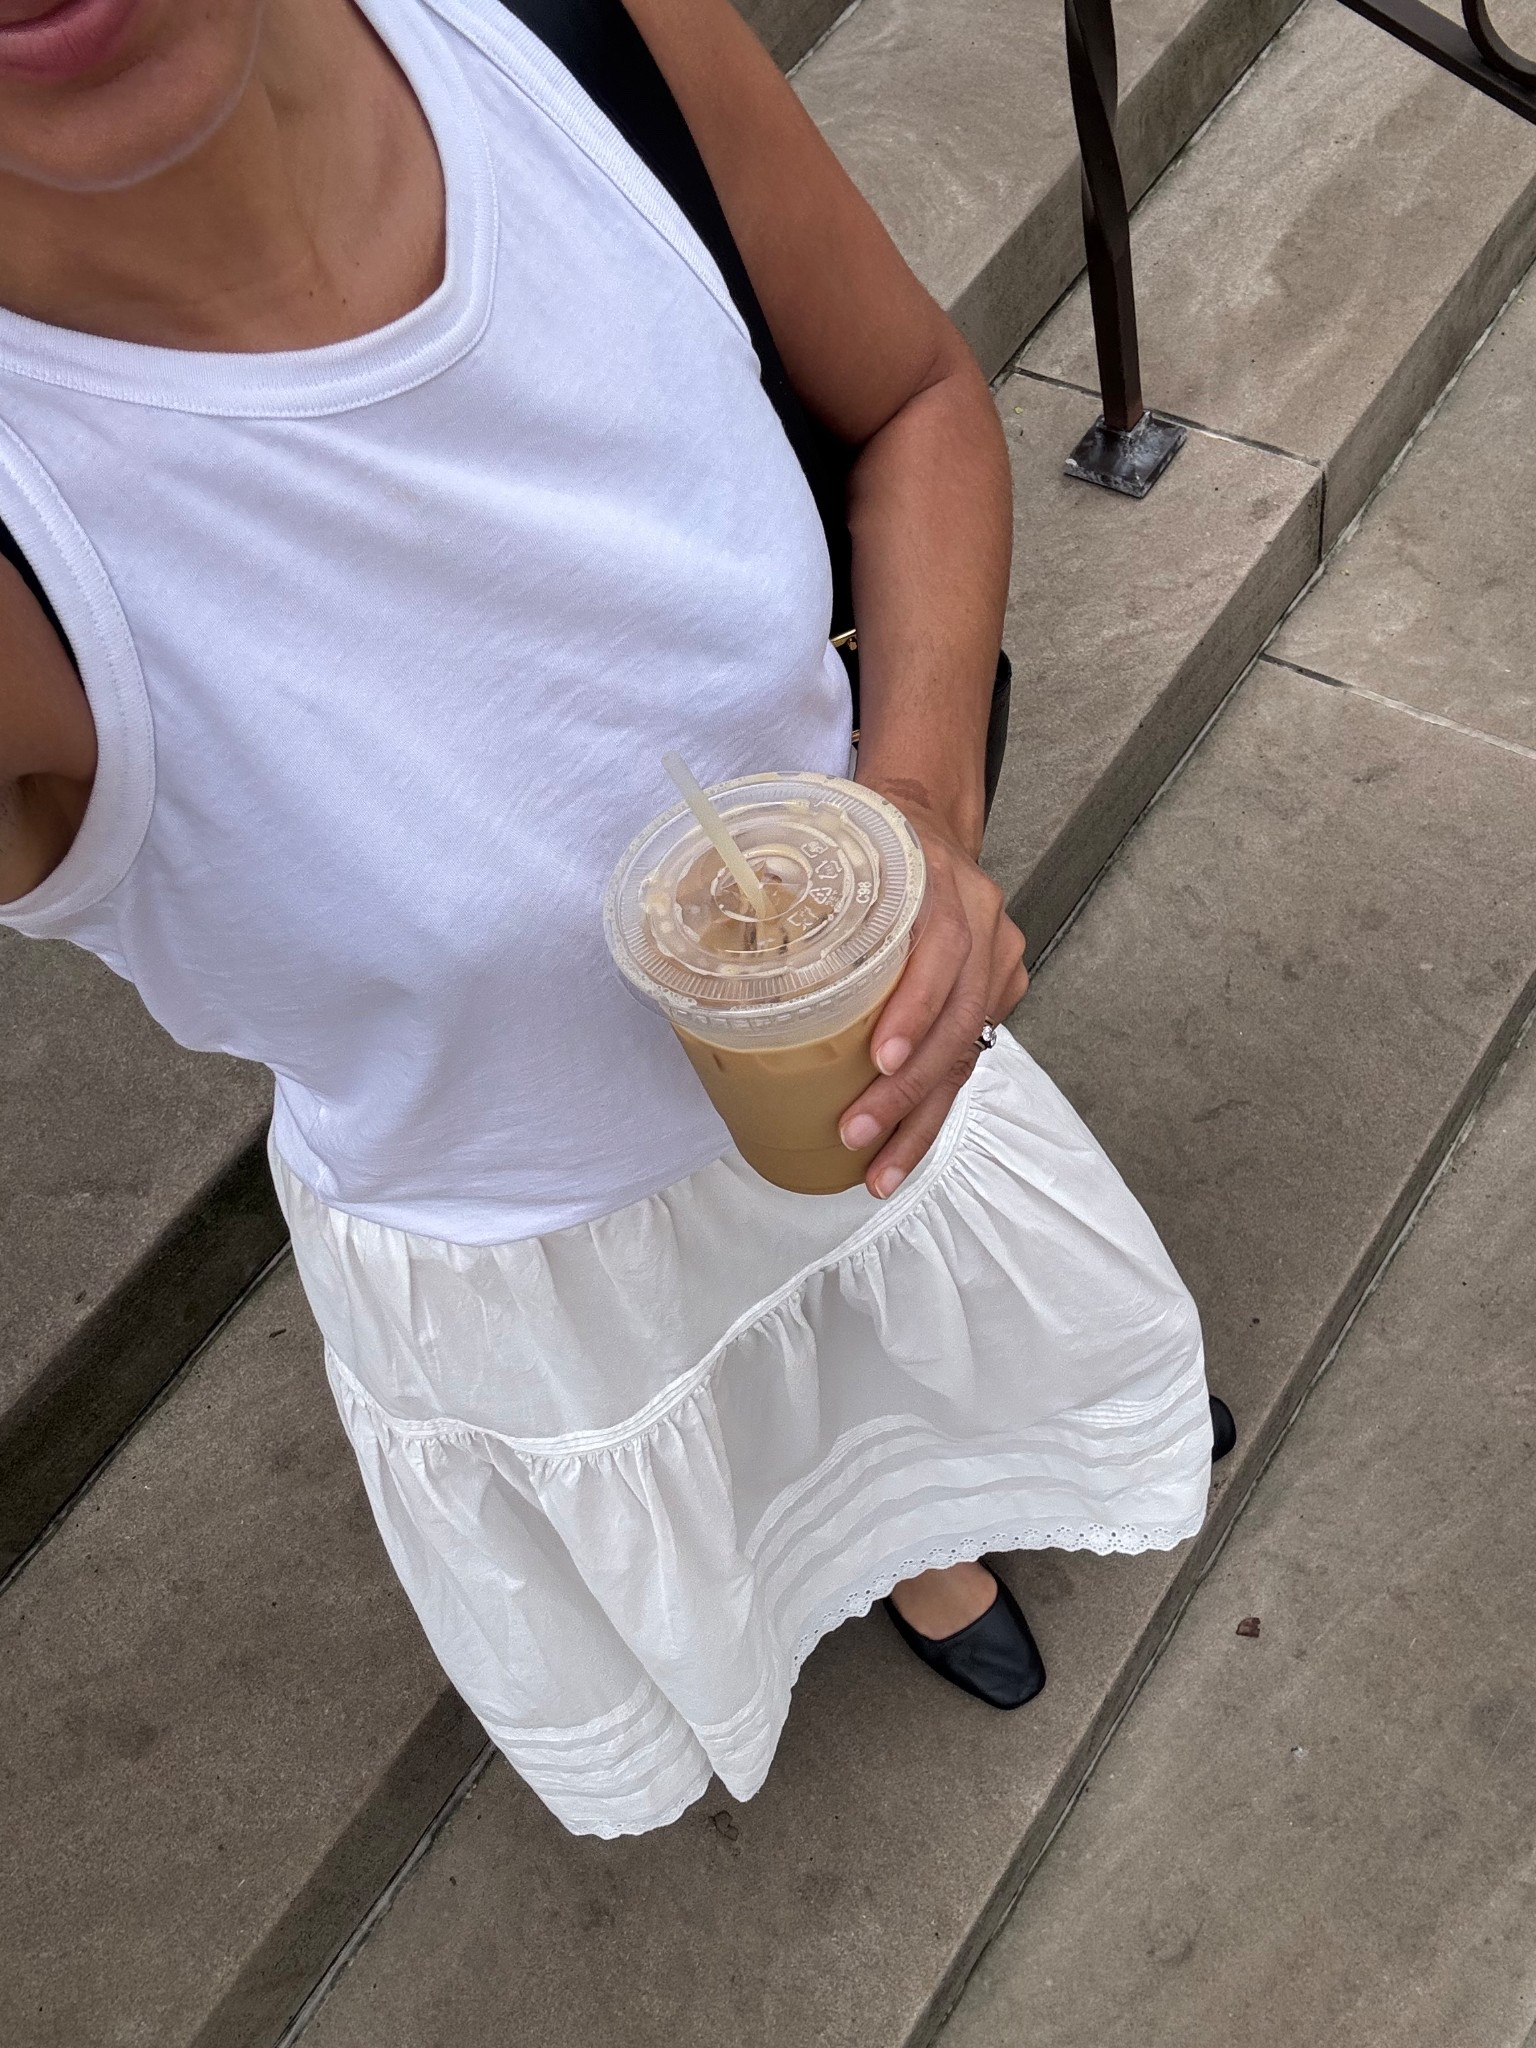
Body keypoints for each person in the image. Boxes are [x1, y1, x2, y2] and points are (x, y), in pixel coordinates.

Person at [0, 0, 1220, 1839]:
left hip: (849, 1045)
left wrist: (919, 823)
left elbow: (908, 403)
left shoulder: (575, 41)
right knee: (741, 1434)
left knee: (901, 1311)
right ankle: (883, 1551)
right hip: (536, 1245)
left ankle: (942, 1510)